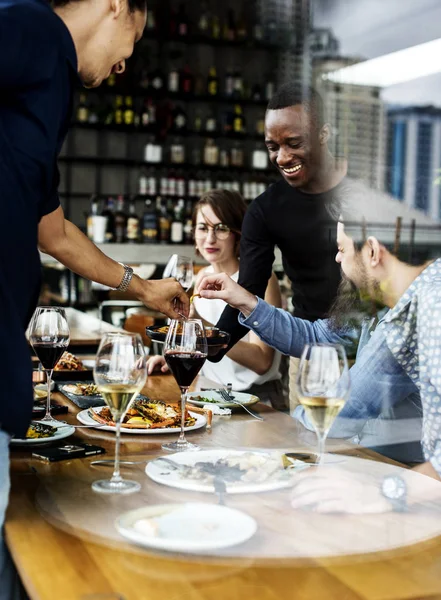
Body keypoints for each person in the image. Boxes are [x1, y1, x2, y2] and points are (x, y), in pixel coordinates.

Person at [0, 1, 188, 596]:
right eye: (136, 35)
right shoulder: (29, 27)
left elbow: (52, 231)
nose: (126, 63)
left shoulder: (50, 87)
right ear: (115, 5)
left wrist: (145, 289)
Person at [196, 219, 441, 511]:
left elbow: (352, 402)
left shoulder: (424, 307)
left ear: (373, 252)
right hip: (379, 467)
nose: (337, 258)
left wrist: (265, 435)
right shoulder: (389, 298)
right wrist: (245, 301)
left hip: (408, 480)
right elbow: (316, 336)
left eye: (341, 249)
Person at [211, 83, 347, 413]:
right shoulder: (266, 210)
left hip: (373, 344)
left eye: (294, 143)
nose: (282, 157)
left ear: (324, 134)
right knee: (314, 457)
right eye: (273, 146)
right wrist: (205, 346)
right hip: (311, 349)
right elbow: (249, 287)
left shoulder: (366, 189)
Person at [147, 190, 286, 410]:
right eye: (202, 228)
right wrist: (175, 361)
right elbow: (206, 354)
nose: (210, 238)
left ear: (238, 234)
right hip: (209, 397)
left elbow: (262, 362)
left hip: (256, 403)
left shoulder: (263, 281)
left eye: (221, 229)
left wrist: (205, 329)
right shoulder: (202, 276)